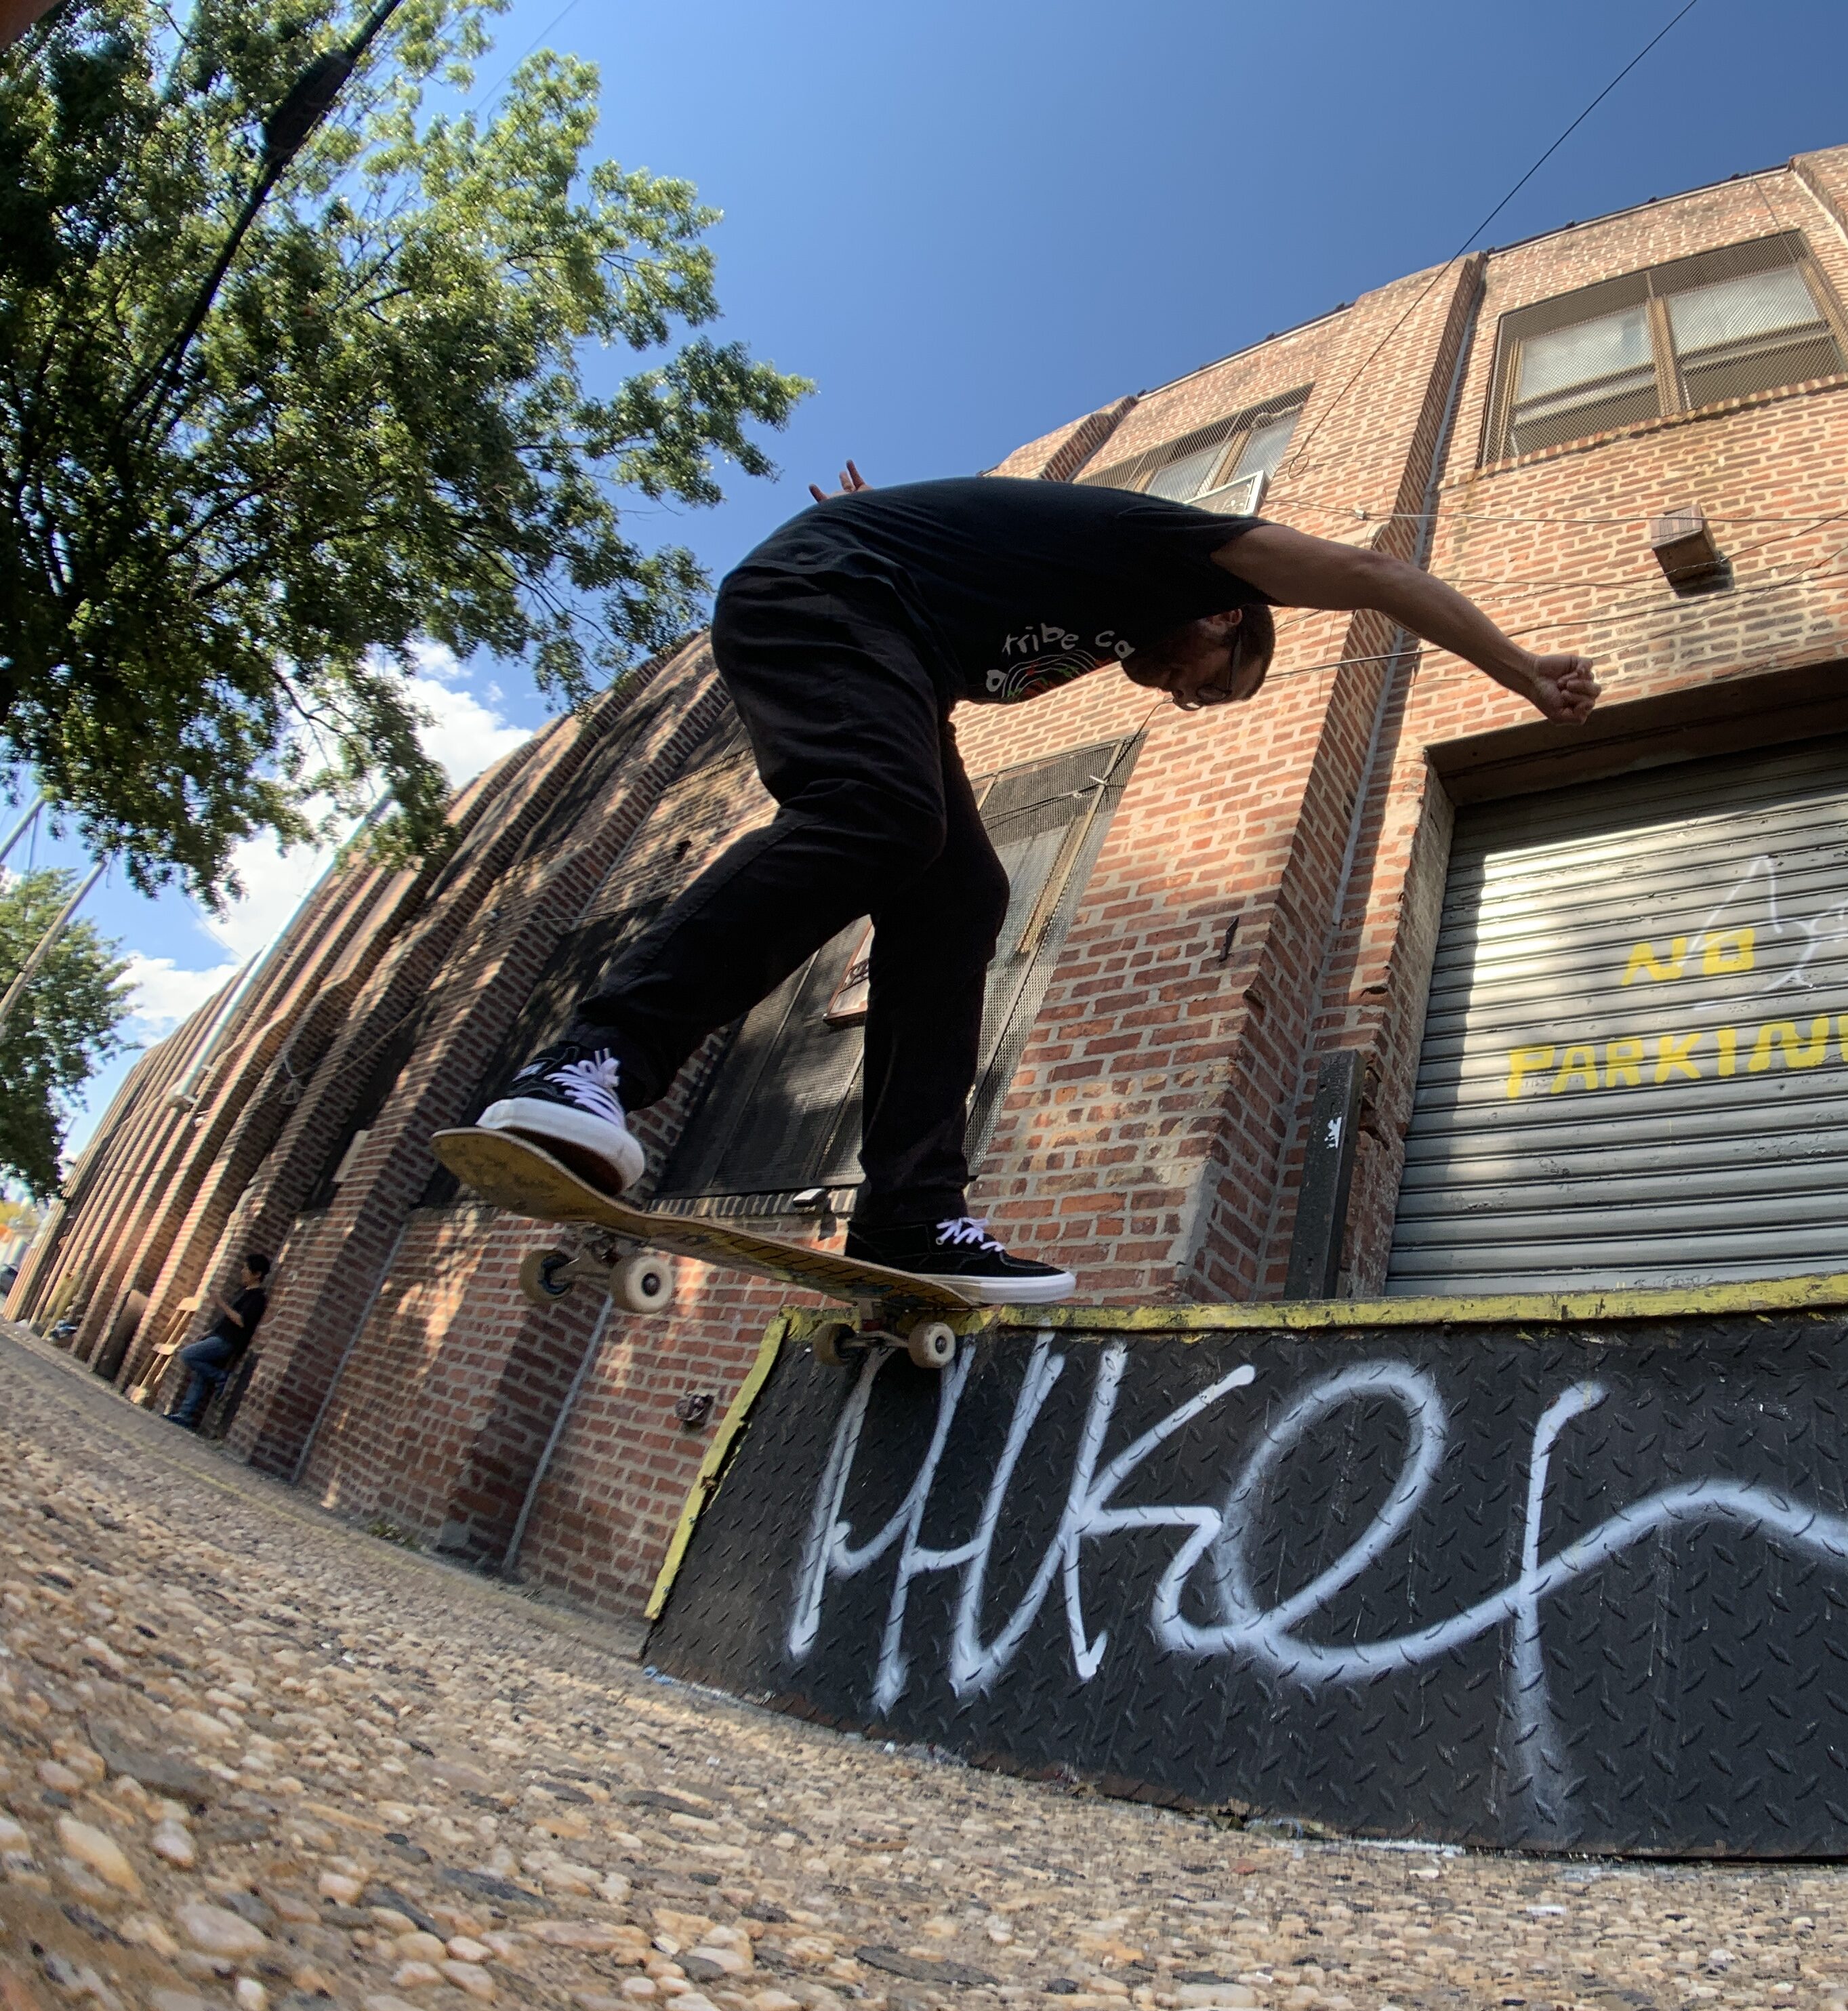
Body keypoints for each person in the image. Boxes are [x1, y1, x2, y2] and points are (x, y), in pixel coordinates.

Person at [477, 468, 1601, 1303]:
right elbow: (1377, 577)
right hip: (823, 597)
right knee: (879, 812)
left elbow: (965, 545)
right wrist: (1520, 668)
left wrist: (883, 519)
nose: (1184, 701)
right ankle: (598, 1059)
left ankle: (909, 1215)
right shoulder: (1185, 550)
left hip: (880, 631)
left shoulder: (1080, 622)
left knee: (960, 891)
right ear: (1225, 615)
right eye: (1213, 686)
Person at [165, 1253, 270, 1430]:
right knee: (200, 1375)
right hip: (220, 1336)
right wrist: (209, 1332)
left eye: (246, 1268)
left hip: (228, 1342)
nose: (243, 1272)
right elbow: (227, 1320)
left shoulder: (257, 1298)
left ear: (257, 1274)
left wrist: (220, 1302)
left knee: (187, 1355)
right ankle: (186, 1414)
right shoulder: (243, 1293)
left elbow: (240, 1321)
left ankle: (221, 1378)